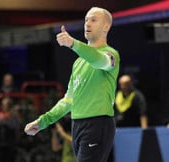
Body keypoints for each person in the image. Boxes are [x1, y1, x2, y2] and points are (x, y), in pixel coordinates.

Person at [25, 7, 120, 162]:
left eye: (93, 20)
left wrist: (73, 43)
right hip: (77, 125)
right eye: (86, 20)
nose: (87, 23)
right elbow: (68, 101)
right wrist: (43, 121)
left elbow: (99, 60)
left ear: (106, 27)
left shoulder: (111, 54)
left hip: (97, 123)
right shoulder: (78, 63)